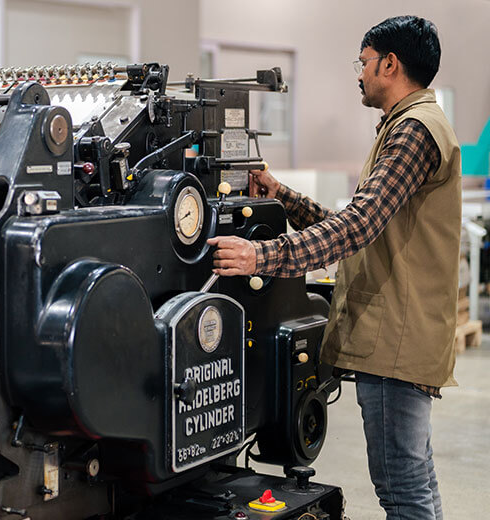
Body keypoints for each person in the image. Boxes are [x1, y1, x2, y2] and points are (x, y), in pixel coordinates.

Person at [206, 16, 459, 520]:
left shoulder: (414, 131)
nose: (359, 73)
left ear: (390, 64)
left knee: (402, 491)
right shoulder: (404, 125)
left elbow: (357, 227)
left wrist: (261, 256)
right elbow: (359, 226)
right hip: (398, 337)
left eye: (363, 62)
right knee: (416, 481)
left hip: (395, 343)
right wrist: (280, 195)